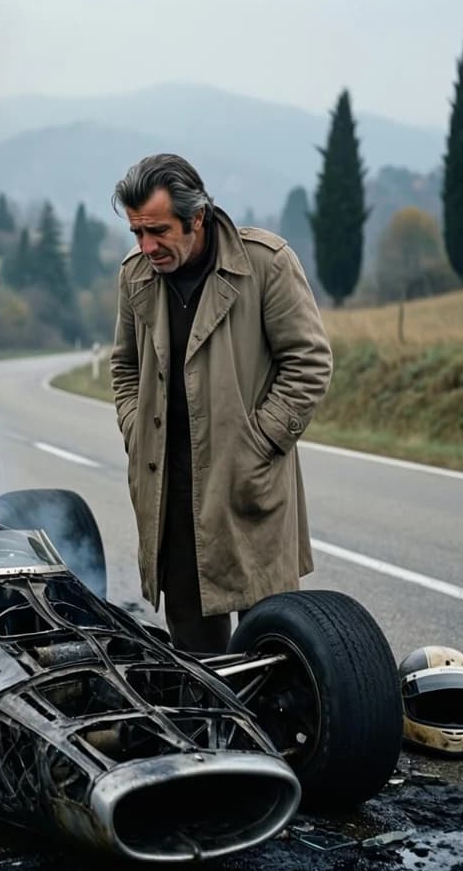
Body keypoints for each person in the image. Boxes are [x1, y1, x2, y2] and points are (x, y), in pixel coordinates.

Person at [110, 154, 332, 653]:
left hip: (247, 485)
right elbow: (124, 367)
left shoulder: (266, 263)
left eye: (158, 231)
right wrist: (134, 429)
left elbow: (309, 361)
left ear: (197, 218)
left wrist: (261, 443)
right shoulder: (133, 276)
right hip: (170, 494)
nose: (147, 247)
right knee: (194, 656)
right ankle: (206, 733)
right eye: (136, 233)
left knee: (272, 642)